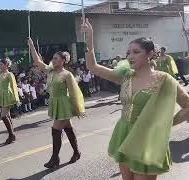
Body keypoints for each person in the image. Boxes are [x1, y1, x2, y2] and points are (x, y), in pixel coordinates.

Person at [82, 18, 189, 180]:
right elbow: (93, 67)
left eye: (136, 52)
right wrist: (90, 40)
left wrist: (165, 123)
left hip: (147, 140)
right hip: (124, 135)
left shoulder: (164, 80)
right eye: (128, 52)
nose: (130, 56)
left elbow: (187, 106)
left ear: (151, 54)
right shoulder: (125, 76)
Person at [28, 38, 85, 168]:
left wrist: (77, 109)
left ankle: (55, 159)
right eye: (53, 58)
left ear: (63, 61)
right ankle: (76, 152)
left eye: (56, 59)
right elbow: (38, 61)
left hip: (64, 104)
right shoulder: (51, 70)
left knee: (55, 130)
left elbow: (74, 92)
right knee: (68, 129)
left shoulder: (67, 74)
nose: (53, 60)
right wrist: (32, 46)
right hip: (55, 103)